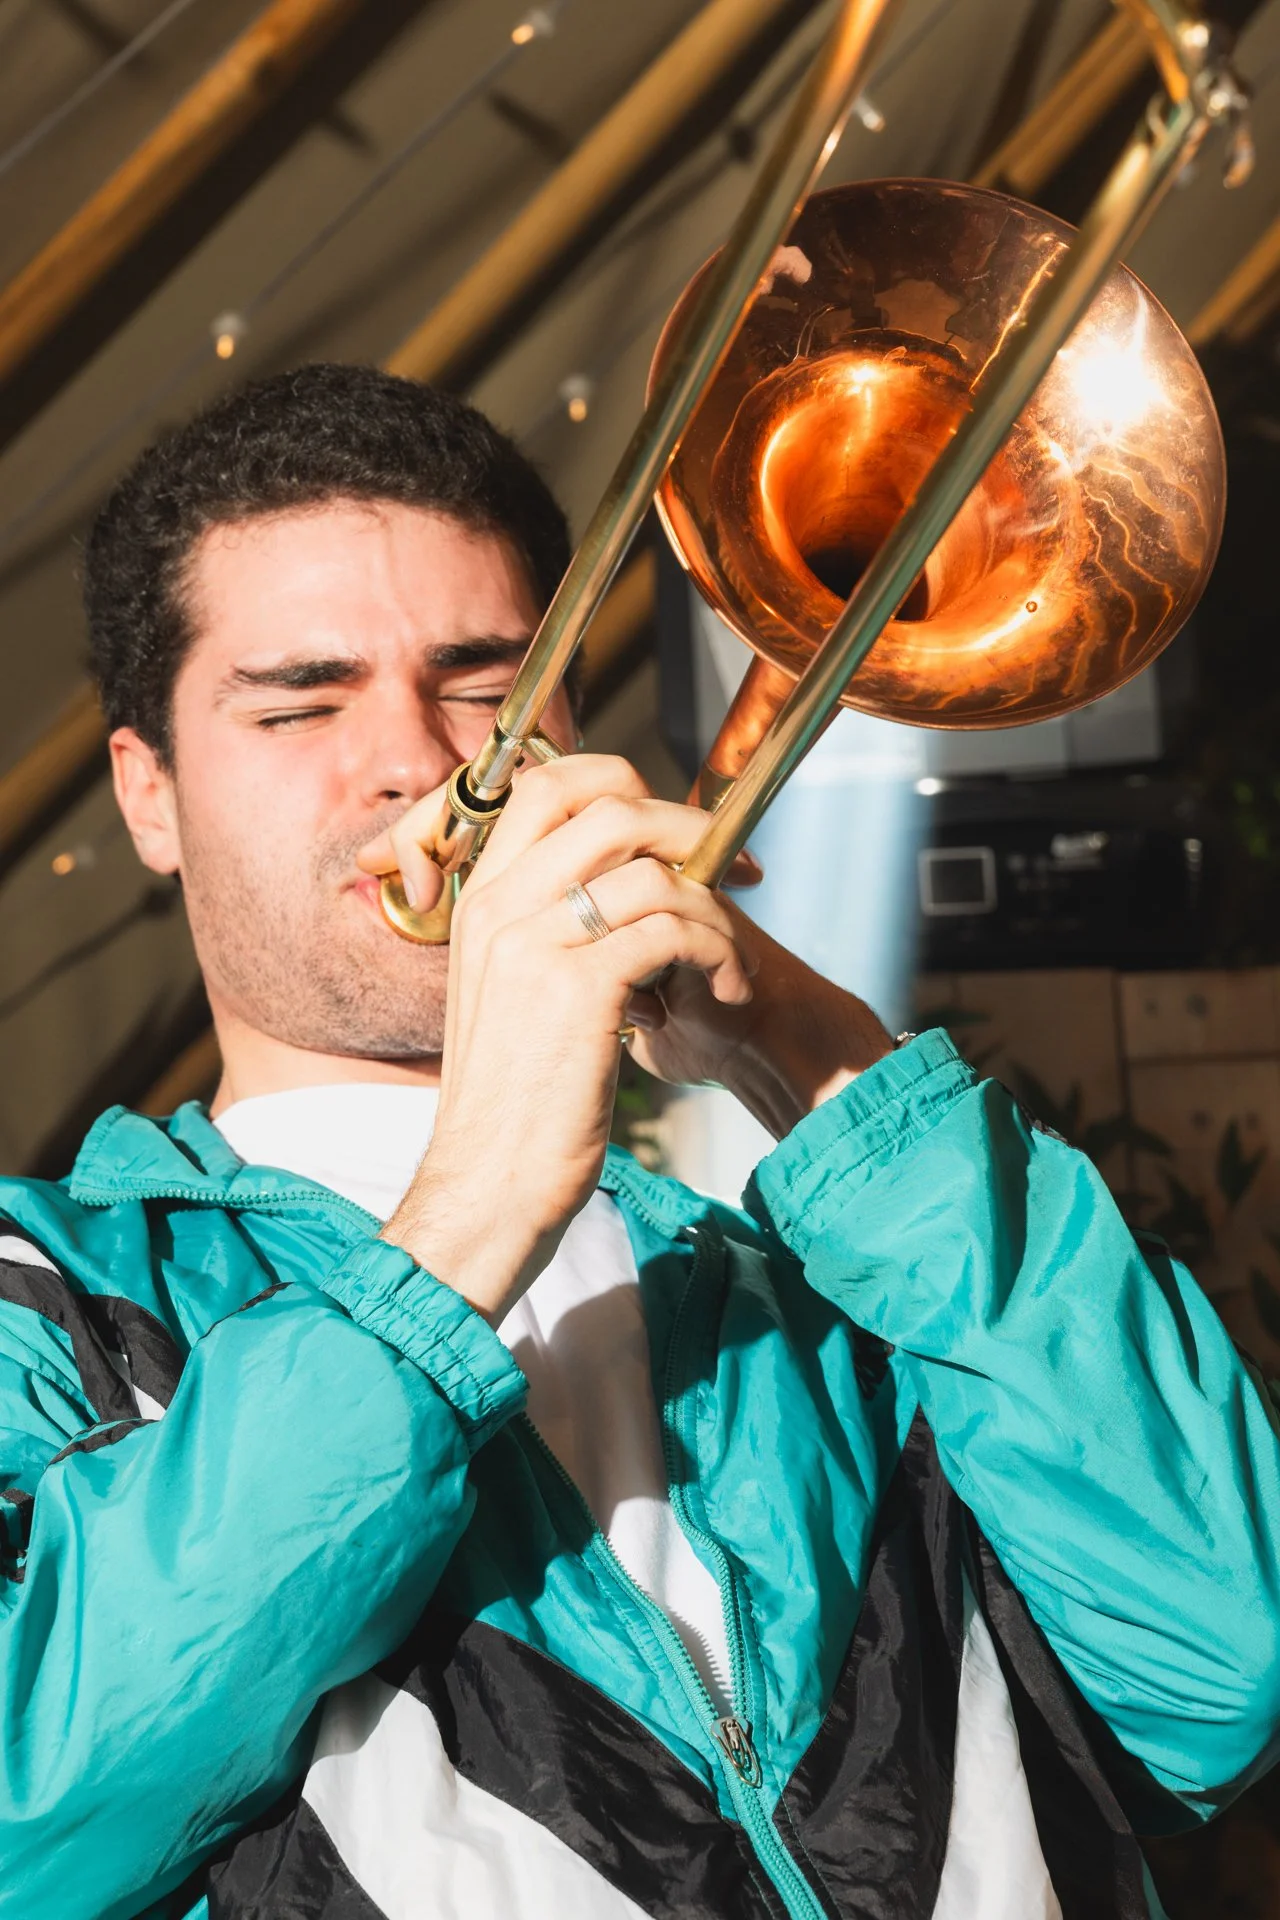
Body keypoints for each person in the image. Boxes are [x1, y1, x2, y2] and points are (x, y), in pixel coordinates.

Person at [1, 362, 1277, 1920]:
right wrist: (468, 1214)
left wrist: (814, 1054)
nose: (419, 763)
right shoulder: (42, 1301)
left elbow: (1220, 1673)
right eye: (301, 705)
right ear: (148, 796)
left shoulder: (844, 1286)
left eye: (485, 684)